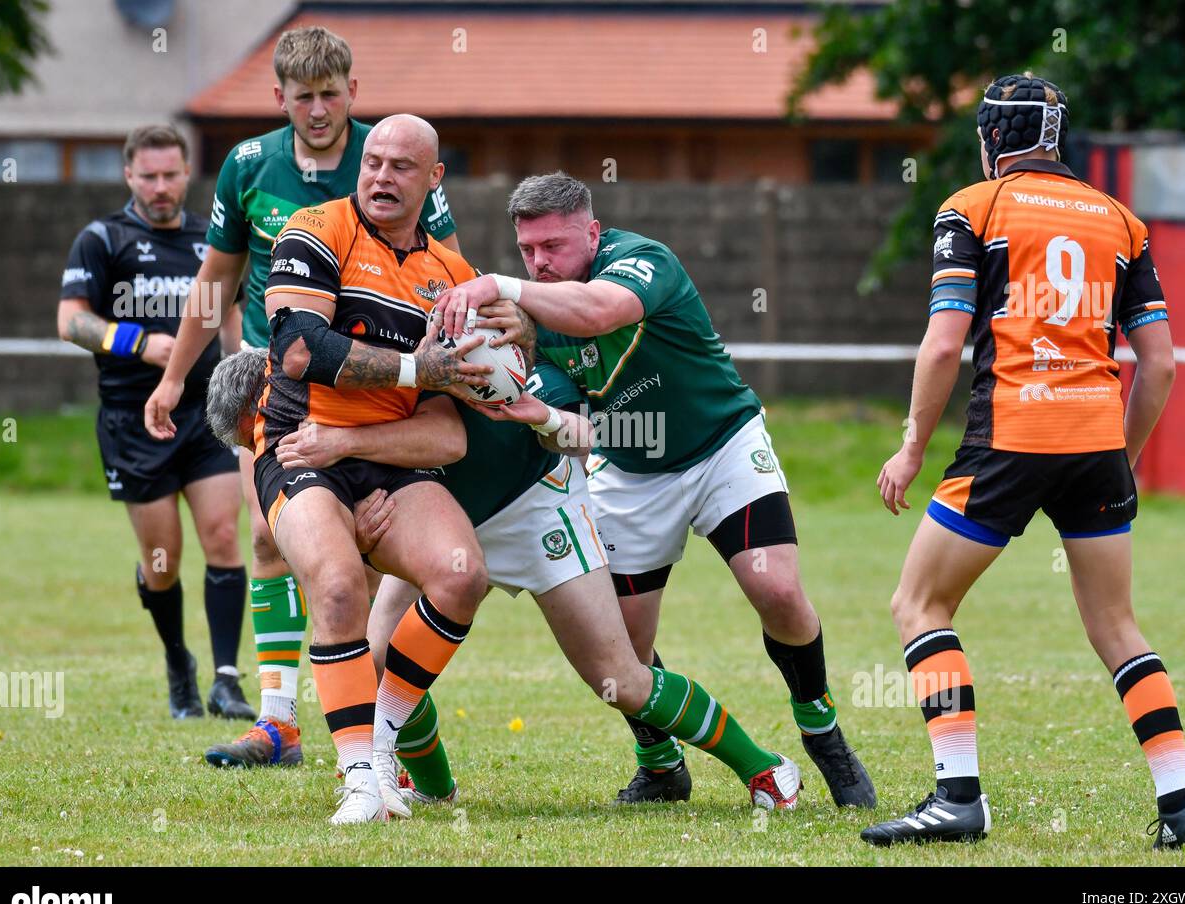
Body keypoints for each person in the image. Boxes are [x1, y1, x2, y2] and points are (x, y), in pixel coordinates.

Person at [430, 173, 876, 808]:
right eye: (527, 251)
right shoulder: (534, 324)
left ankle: (822, 730)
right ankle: (661, 765)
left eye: (553, 246)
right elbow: (581, 431)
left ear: (592, 231)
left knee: (776, 587)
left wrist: (500, 285)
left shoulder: (642, 260)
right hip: (632, 474)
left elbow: (602, 311)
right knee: (625, 652)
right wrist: (538, 416)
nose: (540, 263)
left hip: (722, 444)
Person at [861, 74, 1185, 849]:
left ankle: (958, 799)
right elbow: (1159, 366)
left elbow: (946, 342)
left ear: (993, 139)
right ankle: (1183, 807)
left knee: (919, 606)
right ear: (1056, 140)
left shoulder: (972, 207)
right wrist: (1121, 459)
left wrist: (913, 443)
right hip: (1093, 442)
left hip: (1011, 438)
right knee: (1118, 626)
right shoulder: (1121, 221)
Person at [143, 26, 463, 760]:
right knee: (265, 534)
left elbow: (438, 275)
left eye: (330, 94)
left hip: (377, 376)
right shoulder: (247, 165)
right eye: (302, 96)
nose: (317, 110)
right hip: (276, 373)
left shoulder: (389, 156)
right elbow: (216, 280)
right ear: (278, 97)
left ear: (353, 91)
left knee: (379, 551)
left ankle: (391, 719)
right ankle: (279, 718)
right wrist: (172, 377)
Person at [270, 375, 805, 813]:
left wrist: (540, 413)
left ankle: (765, 768)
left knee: (620, 678)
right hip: (436, 513)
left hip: (534, 506)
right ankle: (429, 784)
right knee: (380, 658)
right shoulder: (351, 358)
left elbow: (585, 436)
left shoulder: (501, 323)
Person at [247, 114, 494, 824]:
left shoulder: (452, 277)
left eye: (402, 167)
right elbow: (299, 348)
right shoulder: (315, 228)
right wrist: (422, 367)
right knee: (336, 584)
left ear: (434, 179)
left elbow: (449, 433)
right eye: (374, 162)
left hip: (373, 456)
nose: (382, 177)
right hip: (298, 447)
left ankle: (382, 747)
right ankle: (358, 782)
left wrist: (512, 345)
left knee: (461, 575)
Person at [58, 124, 252, 720]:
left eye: (172, 175)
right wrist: (142, 344)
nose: (162, 187)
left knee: (223, 535)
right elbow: (70, 321)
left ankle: (226, 679)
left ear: (186, 172)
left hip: (205, 416)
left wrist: (243, 377)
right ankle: (178, 663)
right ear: (128, 176)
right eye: (150, 176)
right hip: (131, 421)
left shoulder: (209, 240)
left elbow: (231, 314)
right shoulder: (102, 239)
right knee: (162, 562)